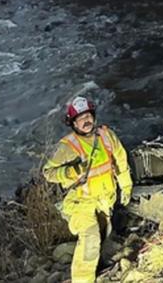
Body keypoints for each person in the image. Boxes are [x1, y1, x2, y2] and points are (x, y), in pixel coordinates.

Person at [42, 96, 133, 283]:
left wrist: (126, 186)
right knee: (91, 239)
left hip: (105, 201)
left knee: (103, 235)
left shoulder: (107, 136)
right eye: (80, 118)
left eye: (88, 116)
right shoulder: (68, 146)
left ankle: (95, 267)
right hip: (81, 204)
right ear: (73, 123)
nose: (86, 121)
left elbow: (120, 160)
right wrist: (71, 171)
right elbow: (48, 172)